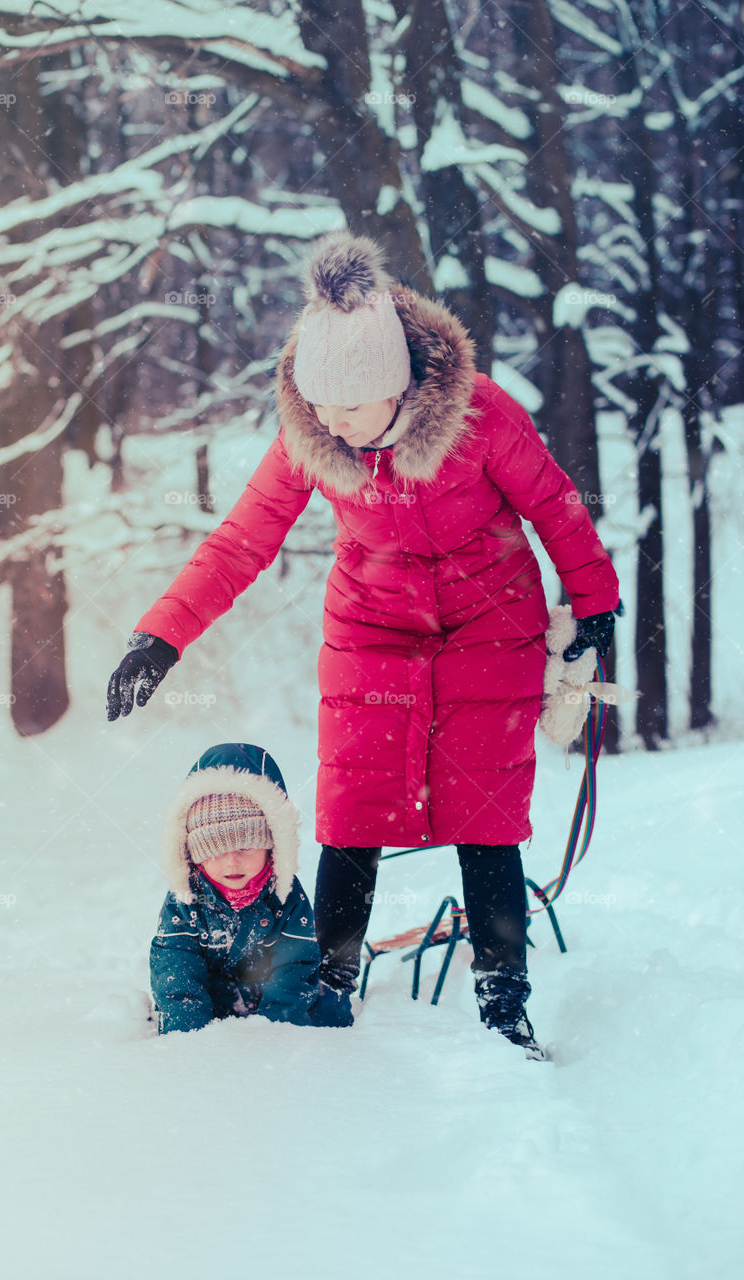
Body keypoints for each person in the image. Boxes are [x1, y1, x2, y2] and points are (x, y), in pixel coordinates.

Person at [112, 233, 621, 1058]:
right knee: (351, 808)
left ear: (396, 388)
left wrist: (594, 605)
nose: (329, 423)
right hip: (371, 625)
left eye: (348, 407)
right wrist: (160, 637)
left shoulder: (481, 415)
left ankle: (502, 1000)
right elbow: (242, 541)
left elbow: (556, 507)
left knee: (487, 817)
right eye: (317, 406)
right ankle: (331, 981)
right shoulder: (311, 435)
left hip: (491, 619)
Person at [149, 741, 325, 1034]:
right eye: (215, 850)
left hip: (270, 1003)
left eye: (246, 847)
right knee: (178, 998)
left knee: (329, 1009)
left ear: (272, 846)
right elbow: (175, 968)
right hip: (213, 1004)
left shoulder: (286, 895)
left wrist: (275, 1032)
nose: (231, 863)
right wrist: (189, 1035)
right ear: (194, 852)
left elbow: (294, 965)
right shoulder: (185, 898)